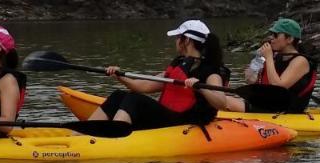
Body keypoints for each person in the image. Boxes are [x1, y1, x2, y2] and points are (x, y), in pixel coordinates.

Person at [87, 20, 230, 130]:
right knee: (118, 95)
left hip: (184, 121)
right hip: (169, 116)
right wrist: (119, 76)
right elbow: (144, 86)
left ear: (186, 40)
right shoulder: (179, 64)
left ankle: (116, 136)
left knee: (134, 99)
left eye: (178, 37)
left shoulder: (210, 71)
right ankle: (81, 134)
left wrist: (200, 88)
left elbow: (221, 103)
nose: (176, 41)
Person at [233, 18, 317, 113]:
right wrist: (254, 72)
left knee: (226, 102)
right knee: (226, 100)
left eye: (276, 35)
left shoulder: (301, 61)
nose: (271, 38)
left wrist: (268, 58)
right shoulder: (276, 58)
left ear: (289, 39)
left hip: (284, 111)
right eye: (271, 35)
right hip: (268, 106)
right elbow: (257, 82)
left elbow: (278, 87)